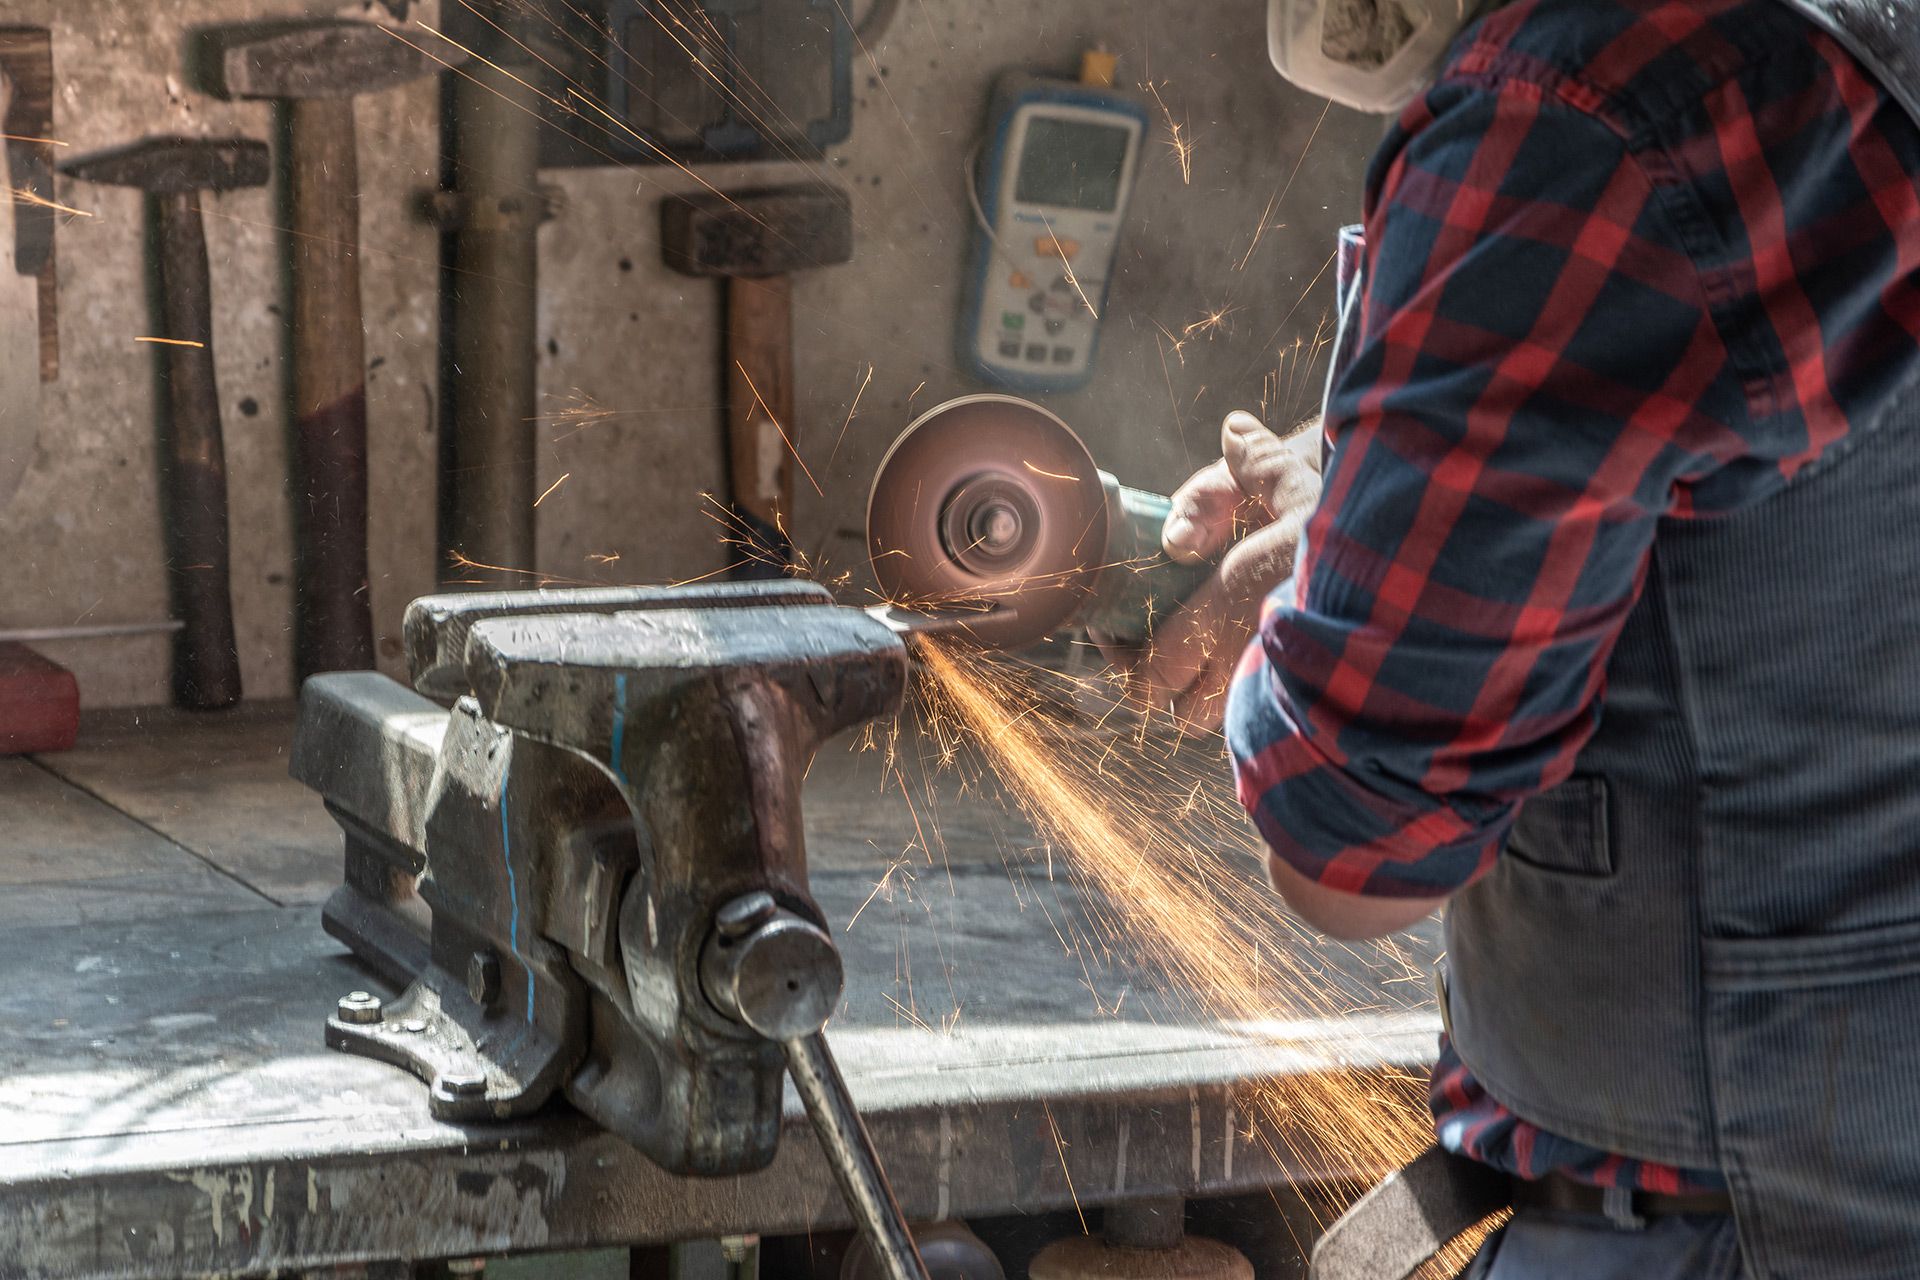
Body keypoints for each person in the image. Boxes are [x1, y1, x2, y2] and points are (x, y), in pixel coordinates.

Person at [1108, 0, 1920, 1273]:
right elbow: (1736, 433)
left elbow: (1358, 852)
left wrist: (1332, 565)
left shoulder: (1585, 106)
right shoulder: (1847, 47)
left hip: (1736, 1228)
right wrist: (1371, 479)